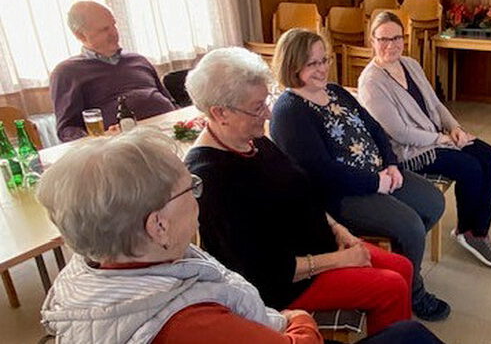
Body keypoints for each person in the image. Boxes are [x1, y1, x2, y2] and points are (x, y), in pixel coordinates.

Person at [184, 48, 413, 335]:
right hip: (285, 284)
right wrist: (340, 260)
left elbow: (300, 191)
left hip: (319, 246)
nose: (267, 113)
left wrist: (338, 228)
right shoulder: (209, 177)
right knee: (390, 287)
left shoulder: (251, 141)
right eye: (257, 108)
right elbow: (262, 270)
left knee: (402, 267)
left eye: (266, 101)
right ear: (220, 113)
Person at [37, 129, 321, 343]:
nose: (199, 196)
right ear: (158, 225)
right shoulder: (191, 324)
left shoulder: (83, 273)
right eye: (191, 187)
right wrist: (300, 319)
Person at [269, 30, 451, 321]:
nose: (322, 68)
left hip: (379, 175)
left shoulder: (336, 91)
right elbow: (320, 172)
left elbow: (375, 128)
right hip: (341, 195)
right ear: (292, 66)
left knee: (433, 202)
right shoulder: (289, 110)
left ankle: (402, 263)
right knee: (411, 226)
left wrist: (390, 164)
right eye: (312, 63)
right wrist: (375, 182)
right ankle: (413, 291)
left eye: (324, 60)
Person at [358, 11, 491, 269]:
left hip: (436, 136)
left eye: (396, 38)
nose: (391, 45)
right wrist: (442, 138)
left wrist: (455, 128)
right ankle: (467, 231)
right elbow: (399, 133)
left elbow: (435, 104)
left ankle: (477, 231)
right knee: (469, 167)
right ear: (372, 41)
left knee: (489, 155)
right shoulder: (371, 81)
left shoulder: (410, 64)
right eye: (383, 39)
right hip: (409, 152)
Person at [50, 1, 176, 142]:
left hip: (171, 131)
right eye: (104, 29)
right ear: (81, 35)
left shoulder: (138, 59)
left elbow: (170, 101)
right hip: (124, 145)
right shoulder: (67, 72)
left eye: (113, 25)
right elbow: (67, 130)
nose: (114, 33)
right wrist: (100, 140)